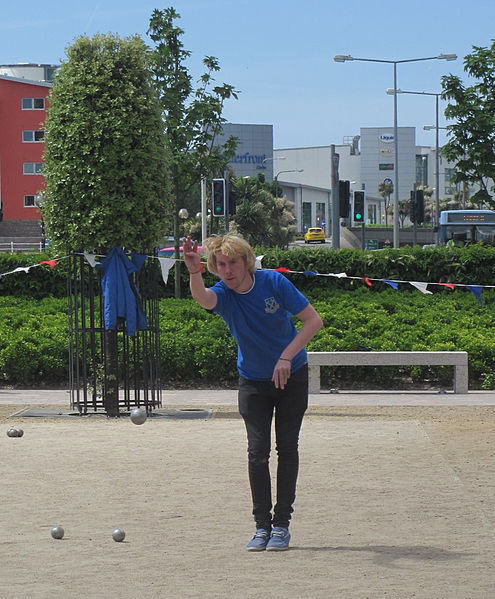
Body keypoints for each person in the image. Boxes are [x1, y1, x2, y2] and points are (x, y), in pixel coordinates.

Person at [182, 234, 323, 551]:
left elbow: (313, 321)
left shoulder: (273, 282)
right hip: (253, 382)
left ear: (246, 262)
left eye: (233, 262)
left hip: (292, 376)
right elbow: (204, 299)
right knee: (257, 453)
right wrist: (194, 273)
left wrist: (286, 356)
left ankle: (281, 526)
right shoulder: (223, 294)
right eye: (221, 264)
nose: (228, 270)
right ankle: (262, 527)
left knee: (287, 448)